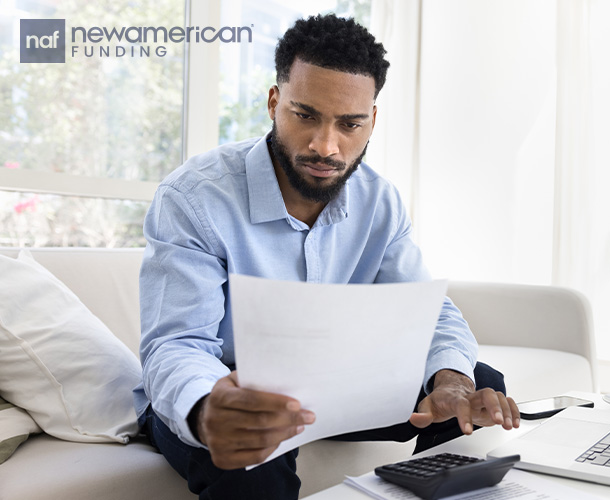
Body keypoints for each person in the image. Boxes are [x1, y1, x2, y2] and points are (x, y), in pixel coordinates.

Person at [132, 14, 519, 499]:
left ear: (372, 121)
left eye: (349, 124)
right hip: (226, 394)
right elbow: (177, 343)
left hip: (339, 388)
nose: (325, 146)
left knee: (476, 384)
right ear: (275, 103)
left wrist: (452, 378)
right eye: (305, 115)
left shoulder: (380, 201)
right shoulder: (194, 197)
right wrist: (208, 407)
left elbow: (427, 310)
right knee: (253, 449)